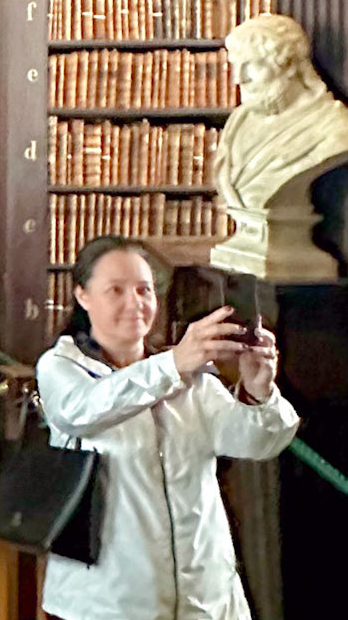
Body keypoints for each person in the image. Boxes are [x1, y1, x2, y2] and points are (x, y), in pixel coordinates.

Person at [36, 235, 297, 620]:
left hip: (204, 597)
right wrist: (173, 364)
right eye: (116, 290)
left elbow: (255, 444)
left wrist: (259, 392)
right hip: (107, 602)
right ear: (83, 296)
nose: (135, 303)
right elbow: (83, 412)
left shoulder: (191, 377)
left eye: (144, 290)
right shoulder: (61, 368)